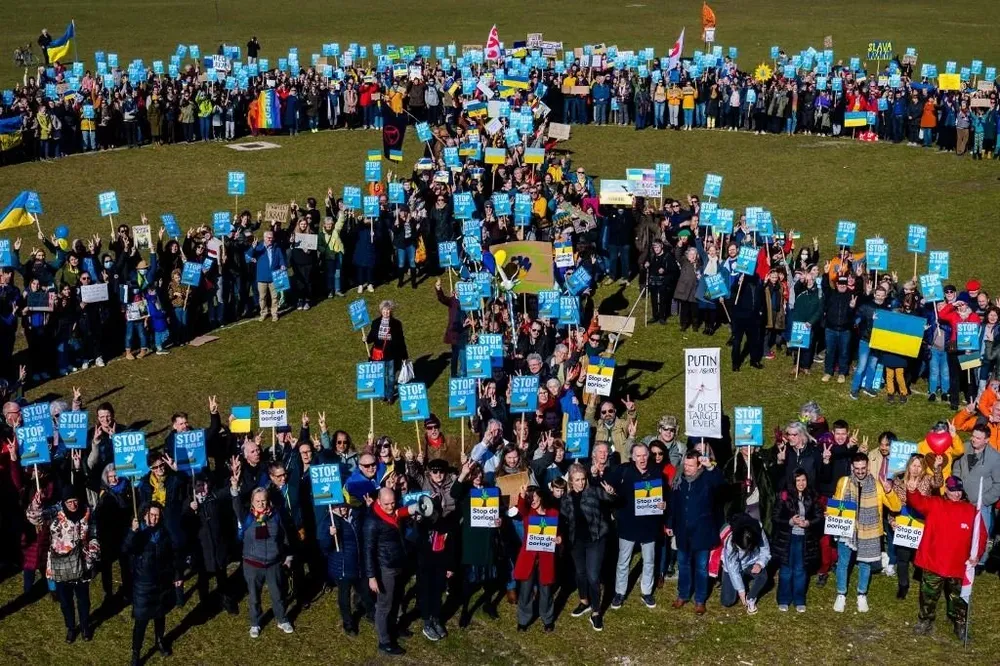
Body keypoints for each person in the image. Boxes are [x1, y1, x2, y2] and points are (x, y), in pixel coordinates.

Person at [908, 475, 987, 639]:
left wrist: (976, 555)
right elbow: (917, 502)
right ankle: (925, 620)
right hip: (933, 563)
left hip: (958, 566)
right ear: (946, 490)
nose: (956, 494)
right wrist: (912, 490)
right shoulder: (935, 504)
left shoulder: (971, 511)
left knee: (959, 599)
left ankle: (960, 624)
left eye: (959, 490)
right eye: (953, 491)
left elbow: (981, 535)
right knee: (928, 596)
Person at [230, 459, 294, 638]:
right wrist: (234, 487)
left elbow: (284, 537)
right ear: (252, 502)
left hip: (273, 563)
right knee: (254, 597)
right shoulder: (247, 517)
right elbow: (236, 505)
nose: (261, 503)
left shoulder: (275, 516)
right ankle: (255, 623)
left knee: (278, 594)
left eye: (264, 500)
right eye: (257, 500)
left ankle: (282, 619)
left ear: (268, 501)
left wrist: (288, 557)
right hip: (252, 564)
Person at [27, 486, 98, 643]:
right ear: (64, 502)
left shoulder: (87, 512)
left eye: (75, 501)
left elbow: (93, 533)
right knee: (65, 602)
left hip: (82, 564)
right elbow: (35, 518)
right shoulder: (55, 512)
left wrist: (93, 551)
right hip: (60, 566)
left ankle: (85, 626)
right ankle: (71, 628)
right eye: (69, 502)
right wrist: (37, 504)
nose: (73, 505)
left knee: (83, 600)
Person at [831, 453, 900, 613]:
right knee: (843, 562)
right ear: (852, 468)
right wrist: (831, 512)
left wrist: (889, 491)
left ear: (868, 467)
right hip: (846, 528)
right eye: (857, 469)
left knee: (865, 564)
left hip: (869, 530)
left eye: (863, 468)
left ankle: (861, 594)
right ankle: (841, 594)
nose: (860, 472)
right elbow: (836, 501)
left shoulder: (877, 485)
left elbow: (895, 507)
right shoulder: (844, 482)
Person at [124, 502, 184, 666]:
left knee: (160, 615)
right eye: (151, 514)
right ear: (145, 515)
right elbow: (126, 549)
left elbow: (173, 555)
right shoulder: (139, 532)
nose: (154, 518)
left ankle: (160, 641)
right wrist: (132, 531)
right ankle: (136, 652)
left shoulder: (164, 532)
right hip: (143, 584)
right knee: (141, 621)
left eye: (157, 515)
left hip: (162, 582)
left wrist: (177, 574)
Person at [607, 442, 665, 610]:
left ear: (649, 456)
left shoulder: (656, 473)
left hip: (649, 525)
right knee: (623, 561)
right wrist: (610, 490)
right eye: (638, 456)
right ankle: (619, 592)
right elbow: (608, 484)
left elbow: (662, 497)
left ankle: (646, 591)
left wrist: (663, 505)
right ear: (633, 457)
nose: (642, 459)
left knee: (649, 561)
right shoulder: (624, 470)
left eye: (645, 455)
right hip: (628, 524)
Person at [560, 462, 615, 631]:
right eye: (577, 480)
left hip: (595, 540)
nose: (581, 483)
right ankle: (584, 601)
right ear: (571, 481)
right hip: (576, 542)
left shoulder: (593, 492)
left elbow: (611, 499)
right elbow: (563, 520)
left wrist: (612, 493)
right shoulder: (566, 498)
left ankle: (596, 612)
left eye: (583, 479)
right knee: (580, 573)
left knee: (593, 576)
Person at [450, 459, 502, 627]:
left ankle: (488, 604)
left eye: (480, 473)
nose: (478, 476)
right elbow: (453, 493)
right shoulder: (465, 490)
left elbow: (498, 511)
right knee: (469, 580)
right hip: (471, 539)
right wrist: (463, 474)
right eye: (474, 474)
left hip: (487, 538)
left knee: (489, 577)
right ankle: (465, 609)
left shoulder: (491, 490)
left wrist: (499, 520)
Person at [670, 451, 723, 614]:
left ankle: (700, 599)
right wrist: (669, 523)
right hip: (683, 532)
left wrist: (710, 468)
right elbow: (673, 505)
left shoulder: (707, 479)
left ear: (699, 466)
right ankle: (683, 594)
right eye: (685, 464)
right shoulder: (679, 481)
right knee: (683, 564)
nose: (686, 468)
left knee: (701, 567)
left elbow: (720, 482)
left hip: (702, 532)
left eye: (690, 466)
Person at [364, 486, 414, 656]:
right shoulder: (372, 521)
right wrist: (371, 576)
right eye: (387, 504)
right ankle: (384, 642)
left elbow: (402, 513)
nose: (391, 507)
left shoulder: (394, 513)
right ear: (378, 501)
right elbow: (368, 550)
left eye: (393, 503)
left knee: (397, 598)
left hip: (399, 562)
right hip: (386, 568)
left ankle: (394, 627)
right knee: (384, 605)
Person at [317, 501, 374, 636]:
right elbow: (324, 547)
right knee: (344, 596)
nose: (342, 508)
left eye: (344, 505)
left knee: (365, 592)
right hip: (342, 567)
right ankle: (348, 623)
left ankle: (370, 613)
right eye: (338, 506)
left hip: (359, 564)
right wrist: (330, 536)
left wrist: (369, 508)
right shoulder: (328, 521)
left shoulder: (355, 516)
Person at [950, 423, 1000, 567]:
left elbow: (998, 484)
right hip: (962, 500)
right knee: (961, 531)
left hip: (981, 505)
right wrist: (956, 487)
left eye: (978, 438)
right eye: (973, 436)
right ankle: (960, 556)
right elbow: (957, 468)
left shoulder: (995, 458)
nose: (974, 440)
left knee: (980, 535)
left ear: (987, 440)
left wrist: (983, 500)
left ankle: (980, 562)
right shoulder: (964, 448)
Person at [771, 468, 822, 611]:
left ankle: (799, 599)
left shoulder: (812, 496)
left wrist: (808, 523)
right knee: (786, 569)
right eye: (798, 480)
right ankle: (784, 598)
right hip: (787, 538)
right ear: (793, 481)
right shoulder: (785, 496)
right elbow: (775, 517)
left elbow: (819, 516)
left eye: (803, 480)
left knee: (800, 570)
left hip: (804, 539)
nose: (801, 483)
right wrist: (790, 521)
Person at [513, 484, 560, 632]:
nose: (532, 500)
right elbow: (521, 508)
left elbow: (558, 533)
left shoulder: (553, 513)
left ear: (541, 497)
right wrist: (522, 495)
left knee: (546, 591)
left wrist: (559, 539)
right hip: (529, 558)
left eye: (534, 497)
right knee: (526, 591)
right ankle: (523, 620)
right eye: (530, 498)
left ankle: (547, 619)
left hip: (545, 558)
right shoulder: (528, 512)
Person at [719, 512, 771, 614]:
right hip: (733, 567)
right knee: (727, 601)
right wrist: (741, 590)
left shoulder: (758, 530)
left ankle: (751, 598)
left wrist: (760, 563)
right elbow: (732, 567)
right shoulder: (729, 540)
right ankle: (729, 578)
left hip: (750, 562)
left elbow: (765, 551)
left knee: (763, 576)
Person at [367, 300, 409, 401]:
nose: (386, 312)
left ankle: (390, 396)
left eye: (388, 310)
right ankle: (382, 394)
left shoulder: (396, 324)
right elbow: (371, 337)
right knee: (380, 376)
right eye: (384, 310)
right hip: (378, 355)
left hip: (391, 355)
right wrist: (366, 340)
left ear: (391, 311)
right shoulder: (376, 323)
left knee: (390, 377)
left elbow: (401, 340)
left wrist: (404, 355)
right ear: (381, 311)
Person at [249, 231, 287, 322]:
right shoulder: (259, 248)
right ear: (264, 238)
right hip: (262, 277)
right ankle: (263, 313)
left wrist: (282, 265)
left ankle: (274, 313)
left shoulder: (276, 248)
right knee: (262, 297)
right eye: (268, 237)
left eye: (271, 237)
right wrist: (253, 248)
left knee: (275, 297)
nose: (270, 239)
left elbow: (281, 258)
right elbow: (248, 256)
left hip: (274, 276)